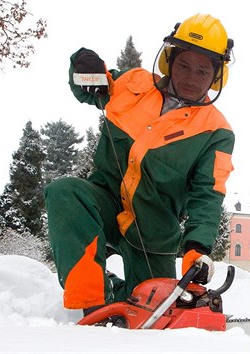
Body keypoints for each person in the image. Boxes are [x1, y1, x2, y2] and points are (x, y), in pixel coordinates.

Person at [45, 13, 235, 315]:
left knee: (153, 308)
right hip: (103, 202)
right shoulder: (132, 85)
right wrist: (83, 63)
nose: (190, 77)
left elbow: (207, 195)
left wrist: (196, 250)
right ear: (169, 61)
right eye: (183, 65)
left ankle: (114, 289)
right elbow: (87, 85)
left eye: (202, 71)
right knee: (65, 192)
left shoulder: (217, 132)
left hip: (154, 231)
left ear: (216, 76)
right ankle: (92, 308)